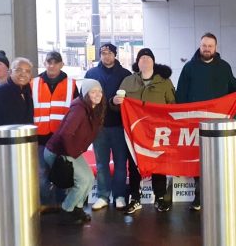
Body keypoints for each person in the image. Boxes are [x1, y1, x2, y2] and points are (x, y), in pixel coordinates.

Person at [176, 32, 236, 211]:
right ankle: (199, 197)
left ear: (216, 48)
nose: (207, 49)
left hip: (218, 123)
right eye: (204, 45)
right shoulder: (189, 67)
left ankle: (219, 197)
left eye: (210, 46)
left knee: (218, 160)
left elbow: (233, 88)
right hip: (195, 123)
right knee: (199, 161)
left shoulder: (224, 67)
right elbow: (181, 94)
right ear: (200, 46)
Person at [117, 48, 176, 213]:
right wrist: (114, 102)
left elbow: (173, 105)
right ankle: (135, 198)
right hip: (134, 133)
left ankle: (160, 197)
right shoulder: (128, 81)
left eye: (148, 58)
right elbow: (118, 107)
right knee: (134, 165)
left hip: (158, 132)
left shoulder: (164, 82)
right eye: (142, 58)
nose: (145, 60)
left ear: (153, 61)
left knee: (158, 164)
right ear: (137, 62)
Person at [44, 79, 105, 224]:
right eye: (93, 92)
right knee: (83, 180)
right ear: (85, 94)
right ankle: (67, 209)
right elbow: (66, 134)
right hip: (60, 151)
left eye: (99, 91)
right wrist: (71, 154)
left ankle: (77, 208)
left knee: (89, 179)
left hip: (72, 151)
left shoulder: (94, 108)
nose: (97, 94)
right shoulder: (79, 109)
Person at [0, 57, 35, 210]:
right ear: (10, 72)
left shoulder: (27, 92)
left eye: (27, 71)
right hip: (2, 152)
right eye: (18, 70)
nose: (23, 74)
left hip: (21, 150)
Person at [84, 43, 132, 211]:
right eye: (103, 53)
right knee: (101, 163)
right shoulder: (91, 74)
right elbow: (83, 99)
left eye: (109, 53)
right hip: (99, 127)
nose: (106, 56)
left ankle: (119, 195)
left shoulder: (125, 74)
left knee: (120, 162)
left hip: (120, 125)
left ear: (115, 54)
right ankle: (103, 195)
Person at [31, 51, 78, 212]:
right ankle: (46, 204)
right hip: (40, 138)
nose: (52, 66)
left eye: (55, 62)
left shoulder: (71, 84)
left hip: (61, 138)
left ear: (61, 64)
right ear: (44, 64)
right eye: (48, 62)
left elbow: (76, 111)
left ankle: (61, 204)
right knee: (41, 174)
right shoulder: (34, 83)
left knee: (61, 172)